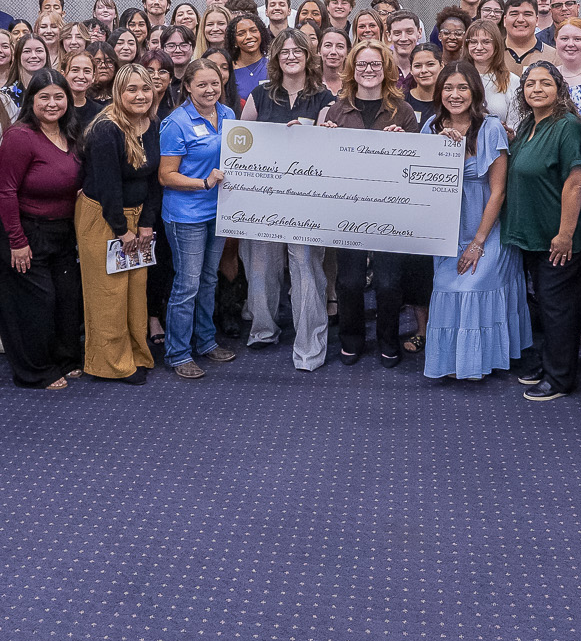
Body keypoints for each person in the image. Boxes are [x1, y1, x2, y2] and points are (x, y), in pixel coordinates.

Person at [422, 60, 529, 382]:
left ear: (475, 92)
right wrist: (438, 148)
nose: (455, 94)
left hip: (488, 228)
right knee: (445, 286)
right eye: (448, 88)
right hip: (446, 229)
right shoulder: (431, 126)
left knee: (471, 285)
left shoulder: (491, 128)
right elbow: (419, 182)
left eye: (462, 87)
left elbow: (498, 192)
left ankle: (480, 361)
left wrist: (478, 243)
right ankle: (454, 360)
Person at [319, 40, 423, 365]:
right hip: (348, 208)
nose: (368, 70)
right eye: (362, 65)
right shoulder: (337, 109)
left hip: (391, 209)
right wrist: (322, 139)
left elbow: (418, 164)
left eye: (375, 64)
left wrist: (405, 143)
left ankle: (388, 340)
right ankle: (351, 338)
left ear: (386, 69)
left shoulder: (403, 110)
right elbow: (323, 162)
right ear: (352, 69)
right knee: (348, 281)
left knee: (389, 283)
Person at [501, 61, 581, 401]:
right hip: (535, 235)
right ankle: (551, 362)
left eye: (545, 83)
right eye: (530, 84)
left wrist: (565, 233)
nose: (536, 89)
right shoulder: (528, 125)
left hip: (562, 237)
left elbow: (576, 179)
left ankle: (560, 378)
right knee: (547, 304)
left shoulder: (567, 125)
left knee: (560, 308)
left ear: (559, 89)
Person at [0, 69, 87, 390]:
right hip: (25, 232)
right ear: (31, 101)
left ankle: (64, 358)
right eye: (43, 96)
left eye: (58, 96)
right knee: (37, 304)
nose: (52, 103)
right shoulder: (20, 136)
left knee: (66, 299)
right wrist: (17, 242)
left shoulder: (71, 133)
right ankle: (35, 371)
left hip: (62, 232)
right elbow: (5, 191)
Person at [243, 30, 333, 370]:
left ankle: (309, 346)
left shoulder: (324, 97)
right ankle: (263, 329)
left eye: (298, 50)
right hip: (264, 200)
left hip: (307, 202)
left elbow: (327, 149)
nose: (292, 55)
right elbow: (241, 144)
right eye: (285, 51)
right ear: (276, 58)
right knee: (262, 267)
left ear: (309, 57)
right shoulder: (259, 95)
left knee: (306, 269)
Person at [79, 65, 160, 384]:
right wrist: (123, 231)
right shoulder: (105, 129)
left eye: (145, 88)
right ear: (118, 92)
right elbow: (108, 186)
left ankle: (136, 353)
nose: (140, 95)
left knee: (135, 290)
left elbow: (153, 180)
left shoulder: (150, 123)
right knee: (108, 293)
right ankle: (111, 363)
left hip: (138, 217)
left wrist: (146, 224)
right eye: (131, 89)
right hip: (103, 217)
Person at [158, 59, 238, 380]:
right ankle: (178, 353)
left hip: (219, 213)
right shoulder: (175, 123)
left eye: (215, 83)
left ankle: (205, 341)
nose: (210, 90)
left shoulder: (229, 115)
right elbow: (166, 176)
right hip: (186, 215)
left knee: (209, 280)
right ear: (187, 86)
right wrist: (203, 182)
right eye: (202, 84)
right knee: (187, 285)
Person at [461, 21, 522, 131]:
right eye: (473, 42)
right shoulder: (458, 77)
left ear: (496, 45)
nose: (479, 47)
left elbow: (515, 126)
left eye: (486, 42)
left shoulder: (512, 81)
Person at [550, 19, 581, 115]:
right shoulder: (550, 76)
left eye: (577, 39)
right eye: (564, 39)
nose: (570, 44)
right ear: (556, 40)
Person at [225, 13, 269, 108]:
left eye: (253, 31)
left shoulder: (274, 66)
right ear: (234, 41)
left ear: (261, 33)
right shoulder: (228, 70)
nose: (249, 36)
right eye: (241, 34)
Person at [502, 0, 548, 71]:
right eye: (514, 14)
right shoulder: (491, 54)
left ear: (537, 20)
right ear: (505, 20)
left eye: (527, 14)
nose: (520, 20)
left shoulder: (554, 57)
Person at [404, 43, 443, 118]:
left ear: (441, 66)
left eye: (430, 64)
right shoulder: (401, 101)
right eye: (417, 66)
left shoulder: (450, 101)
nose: (424, 70)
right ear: (411, 70)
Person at [386, 10, 423, 84]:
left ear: (419, 32)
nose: (403, 38)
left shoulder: (429, 68)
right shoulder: (383, 67)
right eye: (397, 33)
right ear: (389, 35)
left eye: (409, 32)